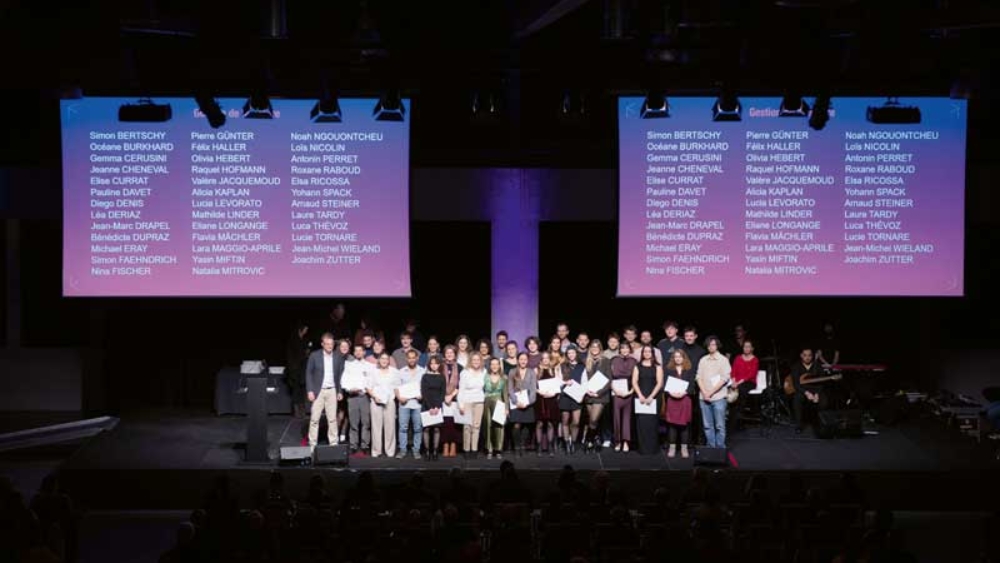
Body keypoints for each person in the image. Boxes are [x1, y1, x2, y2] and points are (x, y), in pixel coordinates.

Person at [306, 333, 345, 448]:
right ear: (322, 344)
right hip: (318, 391)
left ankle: (333, 443)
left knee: (332, 419)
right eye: (327, 344)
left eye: (331, 344)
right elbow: (308, 373)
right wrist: (310, 390)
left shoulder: (338, 356)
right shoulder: (314, 355)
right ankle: (312, 444)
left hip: (332, 391)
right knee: (314, 419)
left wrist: (340, 391)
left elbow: (340, 376)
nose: (329, 346)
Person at [696, 336, 731, 449]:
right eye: (709, 345)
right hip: (703, 397)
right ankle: (711, 448)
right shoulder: (703, 360)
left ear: (717, 345)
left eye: (713, 344)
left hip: (719, 397)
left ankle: (720, 449)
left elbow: (725, 379)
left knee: (720, 426)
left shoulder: (723, 360)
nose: (711, 347)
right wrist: (705, 393)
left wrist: (710, 392)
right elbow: (698, 377)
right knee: (707, 426)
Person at [663, 349, 695, 458]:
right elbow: (665, 385)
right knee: (672, 425)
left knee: (684, 425)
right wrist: (671, 393)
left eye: (680, 356)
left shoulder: (689, 370)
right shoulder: (668, 370)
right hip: (672, 400)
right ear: (673, 358)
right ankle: (672, 448)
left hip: (685, 400)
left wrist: (683, 393)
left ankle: (684, 448)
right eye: (676, 356)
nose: (678, 358)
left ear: (684, 358)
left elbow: (692, 387)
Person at [367, 352, 400, 458]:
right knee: (376, 427)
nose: (384, 360)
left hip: (390, 401)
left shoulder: (394, 372)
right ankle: (376, 451)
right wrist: (374, 397)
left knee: (390, 427)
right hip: (376, 401)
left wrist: (398, 398)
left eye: (386, 358)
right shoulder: (373, 372)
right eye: (382, 358)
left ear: (389, 360)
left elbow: (397, 387)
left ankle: (389, 451)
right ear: (379, 360)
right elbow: (368, 387)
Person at [632, 345, 664, 455]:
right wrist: (640, 395)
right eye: (645, 351)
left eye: (649, 351)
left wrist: (651, 396)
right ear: (642, 353)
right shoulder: (637, 366)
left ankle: (652, 449)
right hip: (640, 397)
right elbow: (634, 382)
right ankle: (642, 449)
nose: (647, 353)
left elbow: (659, 383)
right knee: (641, 423)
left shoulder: (658, 366)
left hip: (654, 398)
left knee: (652, 423)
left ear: (652, 353)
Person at [582, 340, 611, 452]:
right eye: (592, 347)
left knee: (593, 419)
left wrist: (598, 392)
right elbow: (582, 379)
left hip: (600, 396)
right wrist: (586, 390)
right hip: (588, 395)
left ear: (600, 348)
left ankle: (589, 440)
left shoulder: (605, 361)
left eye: (597, 347)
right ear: (590, 348)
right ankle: (596, 438)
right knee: (592, 420)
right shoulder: (586, 361)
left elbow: (609, 380)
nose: (595, 349)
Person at [343, 344, 371, 456]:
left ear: (364, 352)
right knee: (353, 423)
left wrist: (364, 389)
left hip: (364, 396)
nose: (358, 353)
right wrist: (349, 389)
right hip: (352, 397)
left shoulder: (370, 366)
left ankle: (365, 445)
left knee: (366, 423)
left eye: (361, 350)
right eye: (356, 351)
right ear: (354, 353)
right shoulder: (349, 365)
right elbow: (344, 380)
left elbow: (371, 381)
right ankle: (353, 445)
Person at [396, 349, 425, 459]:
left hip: (417, 404)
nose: (412, 359)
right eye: (410, 357)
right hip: (404, 404)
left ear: (417, 358)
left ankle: (416, 450)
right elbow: (396, 387)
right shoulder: (401, 371)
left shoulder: (423, 371)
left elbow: (425, 387)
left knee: (418, 428)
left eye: (414, 357)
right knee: (403, 428)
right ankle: (402, 450)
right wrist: (399, 398)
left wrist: (422, 395)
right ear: (406, 359)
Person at [508, 352, 538, 457]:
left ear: (527, 360)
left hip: (528, 403)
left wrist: (528, 403)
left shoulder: (531, 372)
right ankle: (516, 447)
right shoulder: (512, 371)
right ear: (518, 360)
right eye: (521, 359)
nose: (523, 361)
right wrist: (516, 402)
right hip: (516, 403)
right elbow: (510, 389)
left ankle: (522, 446)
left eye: (525, 359)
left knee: (526, 425)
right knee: (516, 425)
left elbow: (533, 389)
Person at [790, 347, 827, 433]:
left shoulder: (818, 366)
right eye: (805, 355)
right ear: (801, 356)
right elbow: (796, 384)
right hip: (802, 390)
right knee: (797, 400)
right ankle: (799, 425)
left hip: (816, 390)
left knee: (824, 401)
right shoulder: (796, 366)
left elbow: (822, 382)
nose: (807, 357)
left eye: (810, 355)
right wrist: (806, 393)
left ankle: (820, 423)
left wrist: (817, 393)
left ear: (812, 356)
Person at [458, 352, 487, 459]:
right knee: (467, 427)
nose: (476, 362)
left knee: (476, 426)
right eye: (474, 360)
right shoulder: (465, 372)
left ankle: (474, 449)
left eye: (478, 360)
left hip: (479, 401)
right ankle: (466, 449)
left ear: (481, 361)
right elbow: (461, 390)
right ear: (470, 361)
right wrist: (460, 404)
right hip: (467, 401)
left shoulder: (484, 371)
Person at [559, 346, 585, 454]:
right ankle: (566, 443)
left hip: (577, 397)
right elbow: (558, 381)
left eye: (573, 353)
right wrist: (565, 382)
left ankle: (573, 442)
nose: (571, 355)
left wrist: (582, 396)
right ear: (567, 355)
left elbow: (585, 383)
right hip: (565, 396)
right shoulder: (562, 366)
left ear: (576, 354)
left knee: (576, 422)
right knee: (565, 421)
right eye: (569, 353)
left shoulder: (581, 366)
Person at [610, 344, 636, 452]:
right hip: (616, 393)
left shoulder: (634, 361)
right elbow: (609, 378)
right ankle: (617, 441)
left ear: (630, 350)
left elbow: (636, 379)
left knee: (627, 418)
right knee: (616, 418)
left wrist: (630, 391)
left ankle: (626, 441)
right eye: (622, 348)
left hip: (629, 392)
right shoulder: (614, 360)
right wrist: (616, 391)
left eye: (627, 348)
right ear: (619, 349)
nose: (625, 350)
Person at [729, 339, 760, 431]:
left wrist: (738, 383)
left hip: (749, 382)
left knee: (741, 390)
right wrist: (734, 381)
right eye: (744, 346)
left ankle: (737, 417)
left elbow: (751, 375)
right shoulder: (738, 358)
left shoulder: (755, 360)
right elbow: (733, 371)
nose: (746, 348)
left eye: (748, 347)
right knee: (730, 393)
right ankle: (733, 418)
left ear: (752, 348)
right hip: (737, 382)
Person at [535, 351, 561, 457]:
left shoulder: (554, 370)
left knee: (550, 423)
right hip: (540, 400)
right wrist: (538, 391)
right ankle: (539, 446)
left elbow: (558, 386)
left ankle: (550, 446)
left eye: (547, 358)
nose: (545, 360)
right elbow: (532, 386)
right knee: (540, 423)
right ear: (541, 360)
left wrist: (553, 393)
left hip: (551, 400)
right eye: (543, 358)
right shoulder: (536, 370)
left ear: (549, 359)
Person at [421, 355, 446, 461]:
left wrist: (437, 407)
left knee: (436, 429)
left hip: (438, 406)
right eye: (432, 363)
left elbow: (442, 393)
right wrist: (430, 407)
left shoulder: (442, 377)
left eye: (436, 363)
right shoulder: (425, 376)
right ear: (429, 365)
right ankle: (427, 451)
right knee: (426, 429)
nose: (434, 365)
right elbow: (424, 392)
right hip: (427, 405)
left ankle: (435, 451)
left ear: (439, 365)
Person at [286, 322, 312, 420]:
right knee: (296, 391)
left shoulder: (305, 340)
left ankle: (303, 411)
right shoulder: (293, 340)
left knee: (302, 390)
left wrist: (307, 352)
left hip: (303, 369)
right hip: (295, 369)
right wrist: (292, 369)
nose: (306, 331)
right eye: (305, 329)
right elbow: (290, 356)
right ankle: (297, 412)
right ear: (300, 329)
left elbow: (307, 351)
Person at [483, 358, 508, 459]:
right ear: (490, 366)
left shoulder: (504, 378)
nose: (494, 366)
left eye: (496, 364)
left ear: (499, 366)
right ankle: (489, 449)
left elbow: (505, 394)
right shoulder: (485, 377)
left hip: (499, 402)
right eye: (492, 364)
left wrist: (506, 408)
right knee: (488, 425)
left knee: (499, 426)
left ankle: (498, 449)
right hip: (487, 402)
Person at [441, 345, 463, 457]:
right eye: (447, 352)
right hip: (443, 399)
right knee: (445, 423)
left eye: (452, 353)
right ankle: (445, 445)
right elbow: (438, 383)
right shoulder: (440, 366)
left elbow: (462, 384)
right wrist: (445, 396)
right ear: (444, 354)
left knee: (455, 423)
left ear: (455, 354)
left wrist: (452, 395)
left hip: (455, 398)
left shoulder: (460, 367)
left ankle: (453, 445)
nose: (449, 354)